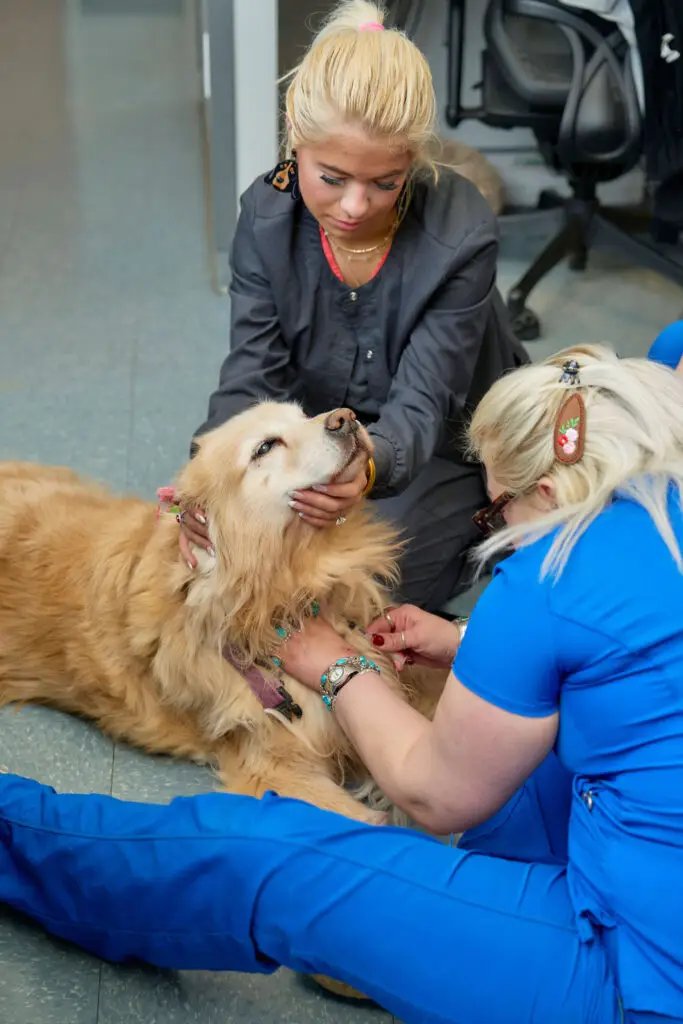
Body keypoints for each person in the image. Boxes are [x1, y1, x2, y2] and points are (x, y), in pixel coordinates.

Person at [2, 343, 683, 1024]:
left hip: (634, 978)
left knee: (270, 855)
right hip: (634, 870)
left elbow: (434, 793)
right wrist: (468, 643)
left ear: (550, 491)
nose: (497, 526)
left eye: (496, 508)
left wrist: (332, 666)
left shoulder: (541, 588)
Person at [178, 0, 527, 612]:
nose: (354, 207)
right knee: (212, 551)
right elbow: (250, 375)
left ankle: (497, 523)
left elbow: (425, 401)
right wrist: (204, 484)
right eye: (332, 177)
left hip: (443, 443)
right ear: (294, 133)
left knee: (361, 586)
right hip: (322, 437)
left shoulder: (461, 231)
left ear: (414, 163)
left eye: (386, 183)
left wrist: (366, 468)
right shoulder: (265, 216)